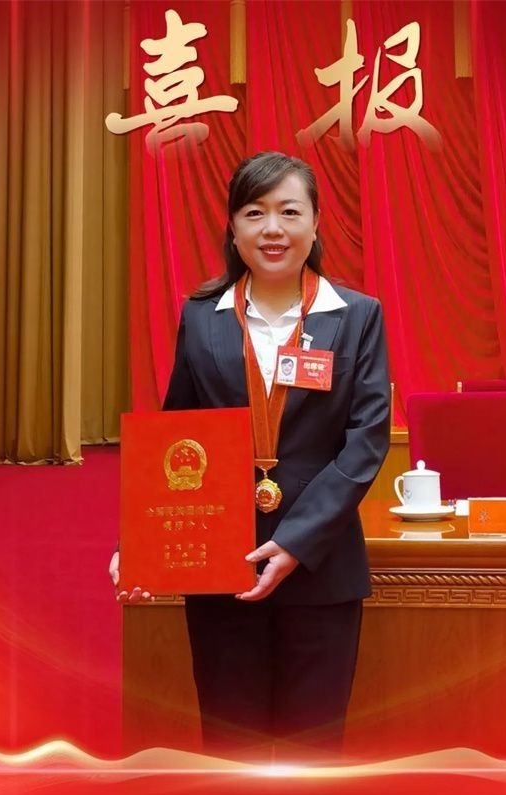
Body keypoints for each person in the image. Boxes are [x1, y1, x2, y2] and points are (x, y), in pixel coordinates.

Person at [111, 151, 390, 762]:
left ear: (315, 224)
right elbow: (176, 436)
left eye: (289, 212)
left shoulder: (356, 317)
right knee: (229, 744)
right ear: (233, 228)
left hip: (321, 564)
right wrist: (142, 541)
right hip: (220, 561)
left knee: (314, 749)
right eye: (254, 213)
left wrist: (295, 540)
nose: (272, 229)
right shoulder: (201, 317)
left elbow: (366, 440)